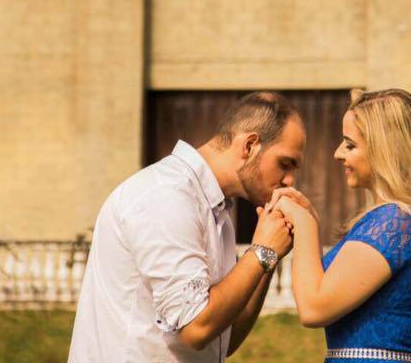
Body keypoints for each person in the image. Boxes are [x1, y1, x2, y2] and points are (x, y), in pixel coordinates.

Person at [68, 91, 306, 363]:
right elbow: (196, 329)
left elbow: (222, 339)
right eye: (285, 163)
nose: (290, 180)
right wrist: (262, 251)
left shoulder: (216, 211)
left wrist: (268, 257)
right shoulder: (166, 196)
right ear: (249, 145)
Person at [268, 88, 411, 363]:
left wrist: (303, 225)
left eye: (350, 145)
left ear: (385, 151)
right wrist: (310, 219)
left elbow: (313, 308)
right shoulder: (409, 223)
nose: (338, 153)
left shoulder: (395, 223)